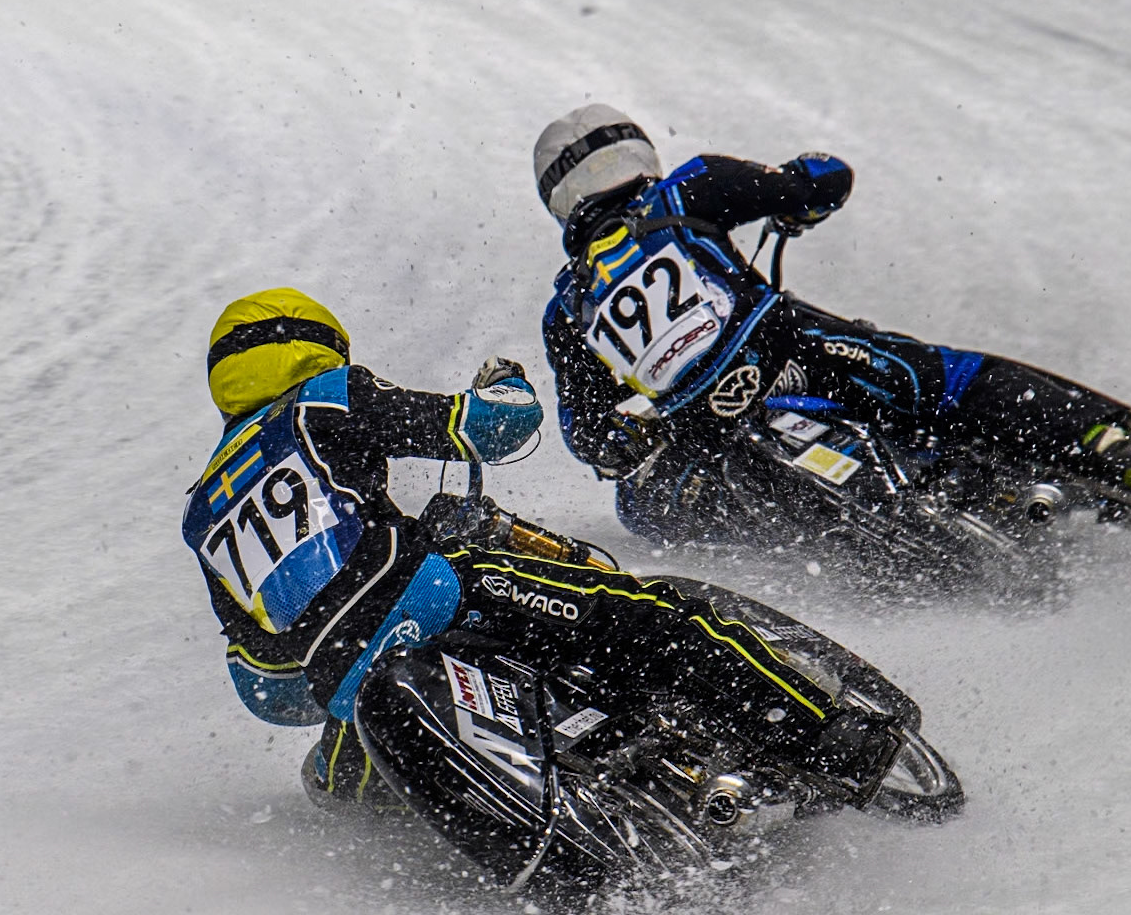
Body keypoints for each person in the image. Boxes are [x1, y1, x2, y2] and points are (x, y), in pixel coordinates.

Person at [182, 287, 850, 806]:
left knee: (334, 796)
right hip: (431, 592)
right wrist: (507, 385)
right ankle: (830, 737)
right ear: (318, 346)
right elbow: (491, 428)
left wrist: (340, 660)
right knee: (651, 616)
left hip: (343, 683)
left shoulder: (203, 507)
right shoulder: (324, 399)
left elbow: (262, 683)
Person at [533, 104, 1131, 545]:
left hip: (705, 433)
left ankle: (811, 552)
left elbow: (589, 437)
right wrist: (799, 201)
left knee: (638, 507)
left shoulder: (566, 307)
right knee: (944, 377)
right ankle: (1112, 447)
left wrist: (634, 436)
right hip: (790, 354)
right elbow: (822, 179)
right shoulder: (685, 189)